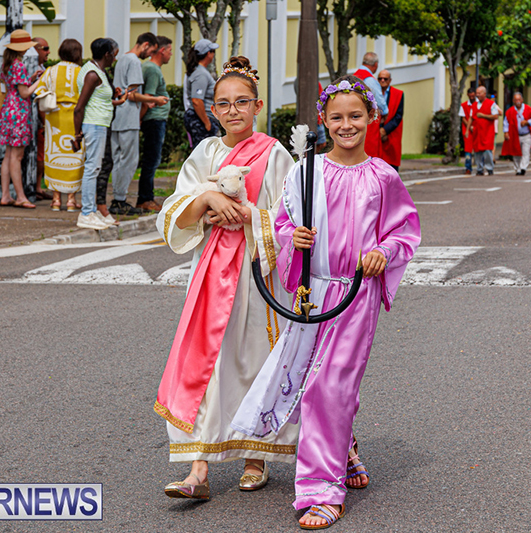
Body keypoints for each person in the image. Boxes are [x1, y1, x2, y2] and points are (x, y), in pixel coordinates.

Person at [231, 75, 421, 529]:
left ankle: (322, 490)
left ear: (371, 117)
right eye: (337, 117)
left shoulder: (383, 177)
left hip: (356, 293)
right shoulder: (305, 172)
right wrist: (290, 238)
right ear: (324, 121)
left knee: (328, 384)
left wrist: (383, 252)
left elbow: (404, 230)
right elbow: (282, 222)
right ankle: (345, 445)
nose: (346, 124)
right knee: (311, 377)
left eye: (356, 115)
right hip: (311, 291)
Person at [155, 56, 299, 501]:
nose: (233, 110)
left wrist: (249, 216)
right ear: (213, 111)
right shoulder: (205, 152)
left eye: (241, 102)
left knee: (254, 360)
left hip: (258, 275)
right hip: (211, 273)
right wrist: (209, 197)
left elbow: (289, 217)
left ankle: (256, 454)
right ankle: (198, 469)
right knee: (210, 364)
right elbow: (175, 206)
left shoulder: (274, 153)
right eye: (223, 104)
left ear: (257, 107)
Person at [110, 32, 168, 216]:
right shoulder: (134, 62)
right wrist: (156, 100)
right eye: (151, 49)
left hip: (118, 116)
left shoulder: (122, 60)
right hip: (128, 116)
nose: (150, 54)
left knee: (118, 159)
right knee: (129, 160)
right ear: (145, 45)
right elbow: (132, 94)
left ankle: (118, 198)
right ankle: (119, 199)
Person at [72, 38, 127, 229]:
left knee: (94, 168)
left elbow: (98, 102)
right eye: (114, 54)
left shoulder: (97, 71)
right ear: (107, 54)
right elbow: (79, 107)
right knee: (92, 168)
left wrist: (115, 102)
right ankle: (86, 212)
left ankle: (91, 210)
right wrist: (76, 134)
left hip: (99, 124)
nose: (114, 58)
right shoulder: (93, 74)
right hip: (94, 125)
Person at [34, 38, 84, 212]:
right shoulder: (81, 72)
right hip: (75, 119)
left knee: (54, 155)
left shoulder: (50, 71)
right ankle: (71, 200)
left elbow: (39, 92)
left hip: (54, 118)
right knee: (75, 156)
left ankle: (56, 200)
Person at [0, 29, 43, 209]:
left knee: (8, 155)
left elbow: (15, 88)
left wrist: (30, 79)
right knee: (17, 156)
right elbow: (24, 93)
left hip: (8, 111)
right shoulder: (19, 65)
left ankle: (6, 196)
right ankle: (21, 197)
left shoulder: (7, 64)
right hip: (19, 114)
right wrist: (40, 81)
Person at [137, 35, 173, 213]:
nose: (171, 55)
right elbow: (149, 99)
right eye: (170, 50)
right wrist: (140, 119)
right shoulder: (151, 69)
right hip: (154, 120)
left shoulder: (152, 68)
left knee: (152, 159)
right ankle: (145, 198)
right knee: (151, 160)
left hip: (155, 120)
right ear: (162, 50)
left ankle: (146, 197)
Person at [184, 39, 220, 149]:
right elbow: (196, 100)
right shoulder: (201, 74)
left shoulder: (200, 71)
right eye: (213, 51)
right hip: (200, 120)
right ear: (208, 53)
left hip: (202, 119)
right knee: (204, 154)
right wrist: (207, 123)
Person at [353, 52, 389, 159]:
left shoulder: (354, 76)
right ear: (376, 65)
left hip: (355, 118)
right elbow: (380, 103)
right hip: (369, 122)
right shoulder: (370, 80)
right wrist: (385, 112)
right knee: (370, 154)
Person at [501, 92, 531, 175]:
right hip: (515, 135)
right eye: (516, 100)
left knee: (525, 152)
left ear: (522, 100)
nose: (518, 101)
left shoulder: (528, 109)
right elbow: (506, 122)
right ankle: (517, 169)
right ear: (513, 101)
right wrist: (506, 132)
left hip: (526, 135)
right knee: (515, 153)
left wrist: (527, 122)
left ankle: (523, 167)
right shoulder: (510, 111)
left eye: (519, 99)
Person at [33, 37, 53, 201]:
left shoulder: (42, 68)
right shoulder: (34, 69)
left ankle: (38, 185)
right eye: (45, 48)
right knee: (41, 155)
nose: (48, 52)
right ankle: (37, 187)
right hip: (37, 117)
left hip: (40, 116)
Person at [377, 69, 404, 171]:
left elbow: (398, 116)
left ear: (390, 80)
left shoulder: (398, 94)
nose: (382, 80)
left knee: (391, 169)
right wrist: (378, 129)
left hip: (391, 135)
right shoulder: (374, 93)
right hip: (376, 135)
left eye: (385, 78)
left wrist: (384, 130)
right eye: (380, 78)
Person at [471, 86, 499, 175]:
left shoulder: (491, 104)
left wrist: (483, 115)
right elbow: (471, 118)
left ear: (484, 94)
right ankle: (479, 169)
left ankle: (489, 168)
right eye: (477, 93)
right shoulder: (474, 105)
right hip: (477, 131)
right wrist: (469, 128)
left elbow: (495, 116)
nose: (477, 95)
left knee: (487, 150)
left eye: (479, 93)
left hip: (487, 131)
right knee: (477, 151)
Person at [458, 88, 476, 174]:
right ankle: (468, 167)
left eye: (473, 95)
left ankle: (480, 166)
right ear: (468, 95)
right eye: (470, 95)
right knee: (468, 150)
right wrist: (469, 127)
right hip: (467, 130)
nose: (472, 97)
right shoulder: (464, 105)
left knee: (479, 149)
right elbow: (463, 118)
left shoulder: (478, 104)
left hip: (477, 129)